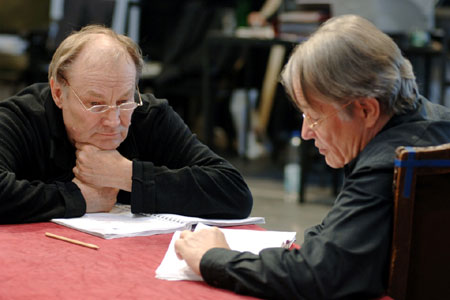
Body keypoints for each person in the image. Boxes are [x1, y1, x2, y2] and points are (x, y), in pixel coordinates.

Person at [174, 14, 450, 299]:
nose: (306, 132)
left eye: (315, 116)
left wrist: (213, 258)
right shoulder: (435, 124)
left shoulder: (387, 165)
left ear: (366, 110)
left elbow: (319, 275)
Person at [0, 25, 253, 224]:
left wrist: (127, 175)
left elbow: (234, 192)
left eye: (123, 101)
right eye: (96, 104)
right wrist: (76, 198)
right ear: (58, 92)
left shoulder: (150, 116)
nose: (113, 121)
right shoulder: (21, 118)